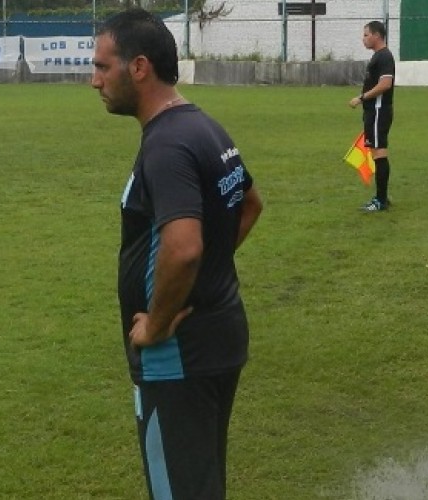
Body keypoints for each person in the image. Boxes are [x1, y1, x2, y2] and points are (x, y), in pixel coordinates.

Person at [91, 8, 263, 499]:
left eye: (103, 67)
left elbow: (184, 248)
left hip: (178, 353)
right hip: (220, 335)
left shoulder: (166, 145)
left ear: (138, 67)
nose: (94, 80)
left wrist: (158, 321)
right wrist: (208, 271)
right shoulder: (205, 127)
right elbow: (248, 205)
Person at [349, 20, 395, 212]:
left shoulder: (384, 56)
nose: (364, 38)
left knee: (379, 152)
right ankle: (382, 196)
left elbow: (385, 84)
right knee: (377, 151)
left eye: (366, 35)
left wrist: (362, 97)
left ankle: (380, 201)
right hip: (374, 111)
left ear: (377, 35)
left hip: (378, 111)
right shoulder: (379, 56)